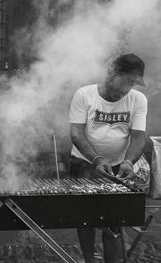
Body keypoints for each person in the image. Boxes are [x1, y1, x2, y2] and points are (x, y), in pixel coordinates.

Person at [69, 53, 147, 263]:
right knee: (85, 220)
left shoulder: (138, 99)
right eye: (127, 81)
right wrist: (96, 159)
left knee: (114, 220)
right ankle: (89, 260)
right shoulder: (84, 94)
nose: (128, 88)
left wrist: (129, 162)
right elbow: (76, 133)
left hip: (117, 167)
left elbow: (138, 138)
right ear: (112, 73)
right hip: (84, 163)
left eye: (133, 82)